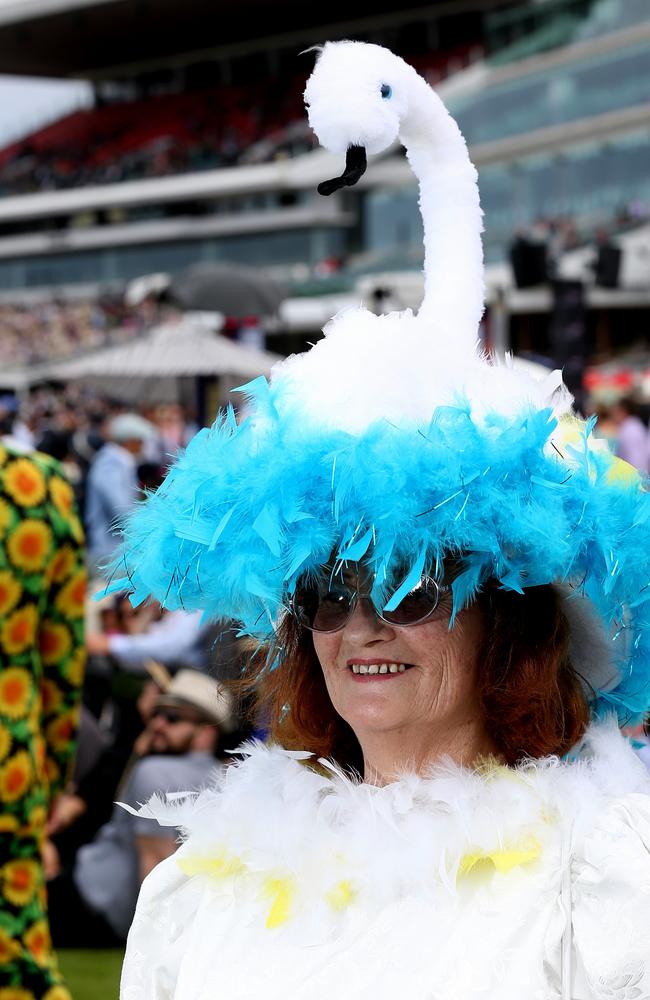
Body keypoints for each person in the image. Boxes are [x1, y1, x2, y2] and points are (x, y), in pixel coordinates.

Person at [113, 44, 650, 999]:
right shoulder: (212, 883)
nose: (362, 625)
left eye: (409, 583)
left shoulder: (599, 876)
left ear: (511, 616)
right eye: (326, 592)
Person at [47, 669, 232, 948]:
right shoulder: (228, 779)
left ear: (206, 732)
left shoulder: (154, 772)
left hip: (91, 906)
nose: (157, 724)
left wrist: (150, 946)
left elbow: (156, 868)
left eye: (172, 718)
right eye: (156, 714)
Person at [0, 442, 85, 1000]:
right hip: (10, 764)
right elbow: (62, 656)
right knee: (15, 955)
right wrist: (53, 775)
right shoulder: (32, 484)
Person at [85, 411, 157, 571]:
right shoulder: (110, 464)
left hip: (117, 551)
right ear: (130, 441)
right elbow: (121, 509)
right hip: (109, 552)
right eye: (140, 441)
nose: (143, 446)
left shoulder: (117, 462)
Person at [610, 396, 649, 472]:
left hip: (635, 473)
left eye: (616, 411)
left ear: (623, 411)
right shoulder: (635, 424)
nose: (613, 415)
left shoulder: (628, 428)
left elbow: (633, 457)